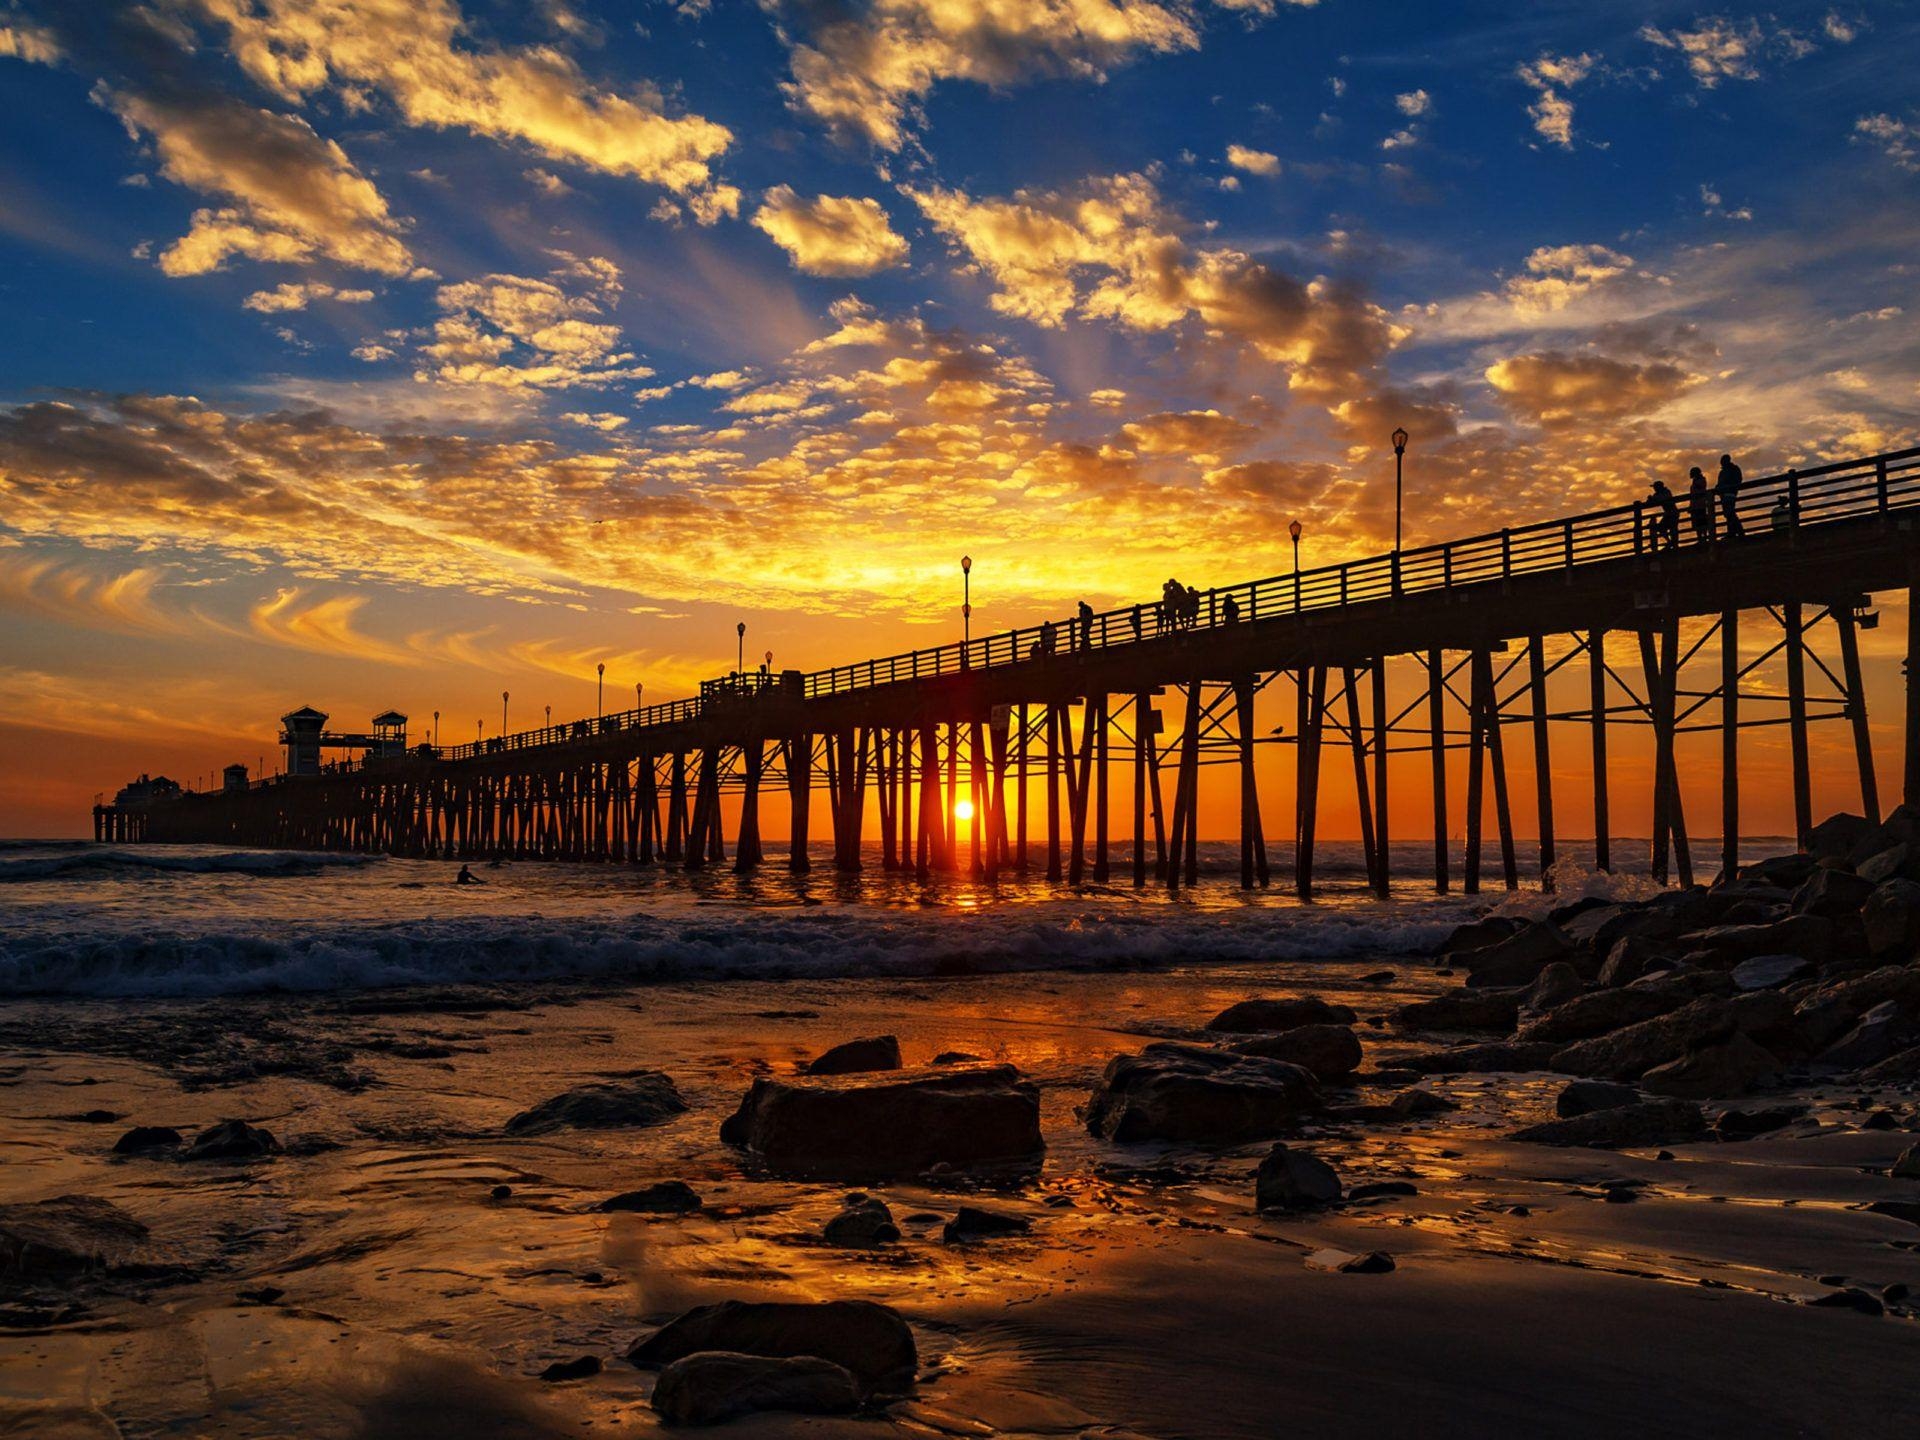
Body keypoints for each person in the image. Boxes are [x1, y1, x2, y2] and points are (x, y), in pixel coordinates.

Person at [1715, 453, 1745, 538]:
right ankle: (1733, 532)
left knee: (1730, 513)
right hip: (1724, 494)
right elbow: (1719, 483)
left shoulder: (1733, 469)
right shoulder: (1723, 471)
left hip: (1730, 493)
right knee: (1728, 513)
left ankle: (1738, 531)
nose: (1721, 462)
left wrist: (1727, 486)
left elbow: (1738, 480)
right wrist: (1718, 488)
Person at [1648, 479, 1681, 550]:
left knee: (1673, 529)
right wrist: (1650, 499)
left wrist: (1653, 498)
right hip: (1669, 513)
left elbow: (1663, 499)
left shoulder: (1666, 492)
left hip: (1673, 513)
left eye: (1655, 487)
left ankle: (1674, 545)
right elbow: (1651, 502)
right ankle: (1671, 543)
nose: (1654, 489)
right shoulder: (1658, 494)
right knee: (1662, 528)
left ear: (1658, 487)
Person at [1686, 467, 1715, 544]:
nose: (1690, 474)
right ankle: (1700, 539)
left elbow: (1701, 489)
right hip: (1695, 505)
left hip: (1700, 505)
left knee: (1702, 521)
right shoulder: (1695, 481)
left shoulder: (1701, 480)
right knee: (1697, 523)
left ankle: (1704, 538)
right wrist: (1690, 506)